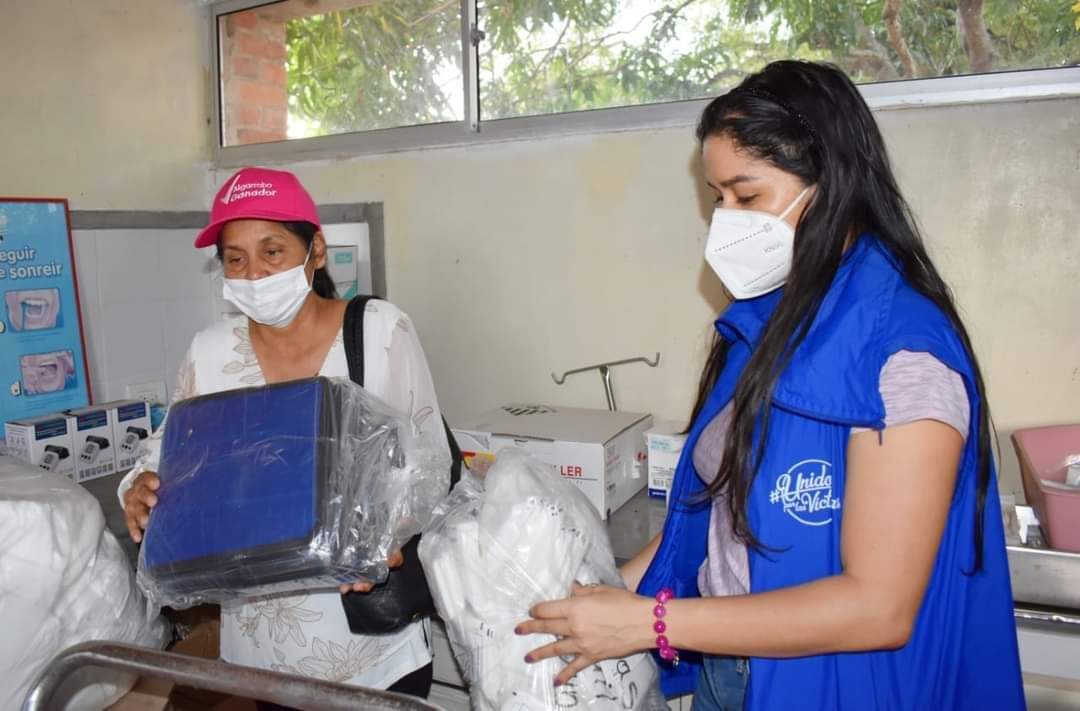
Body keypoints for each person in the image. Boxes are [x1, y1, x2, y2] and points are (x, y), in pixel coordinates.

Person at [516, 60, 1024, 710]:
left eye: (747, 196)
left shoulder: (903, 357)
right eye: (717, 198)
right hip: (730, 674)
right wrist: (603, 588)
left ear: (829, 182)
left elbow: (878, 605)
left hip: (832, 687)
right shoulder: (767, 324)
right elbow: (716, 513)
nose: (726, 220)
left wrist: (648, 623)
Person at [119, 167, 450, 702]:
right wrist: (139, 487)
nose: (253, 274)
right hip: (262, 650)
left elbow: (430, 465)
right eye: (235, 258)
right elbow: (167, 454)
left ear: (314, 250)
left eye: (272, 251)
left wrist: (389, 536)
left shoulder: (377, 331)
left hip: (369, 644)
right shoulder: (210, 350)